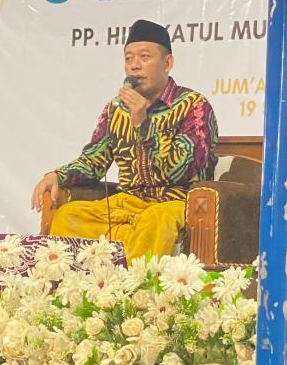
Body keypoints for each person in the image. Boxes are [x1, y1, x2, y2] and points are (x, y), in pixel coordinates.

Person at [30, 19, 217, 263]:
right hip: (127, 202)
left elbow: (180, 170)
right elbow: (94, 161)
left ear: (167, 63)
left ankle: (136, 286)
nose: (134, 66)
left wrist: (143, 124)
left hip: (175, 203)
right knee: (68, 216)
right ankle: (83, 285)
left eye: (144, 57)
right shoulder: (116, 109)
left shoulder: (193, 106)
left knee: (155, 220)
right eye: (129, 59)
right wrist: (57, 175)